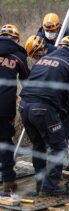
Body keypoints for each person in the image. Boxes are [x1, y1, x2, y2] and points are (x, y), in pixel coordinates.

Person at [19, 36, 69, 196]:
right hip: (43, 109)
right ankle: (49, 187)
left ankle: (40, 185)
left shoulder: (42, 60)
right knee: (59, 147)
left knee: (38, 146)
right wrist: (67, 111)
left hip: (24, 106)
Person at [0, 24, 30, 193]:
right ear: (16, 39)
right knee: (4, 141)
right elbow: (28, 81)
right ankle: (8, 181)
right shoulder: (18, 56)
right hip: (4, 106)